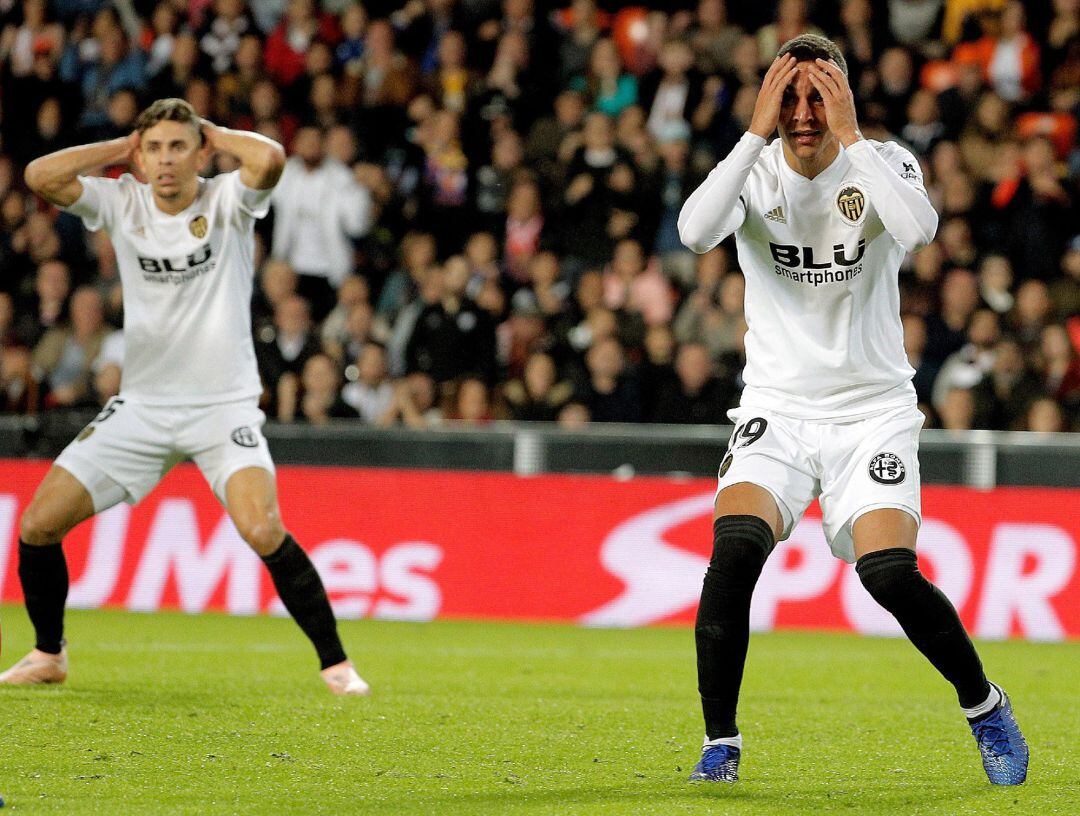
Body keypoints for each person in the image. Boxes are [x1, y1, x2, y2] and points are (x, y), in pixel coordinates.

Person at [677, 35, 1027, 785]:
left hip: (871, 410)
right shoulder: (753, 169)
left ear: (842, 95)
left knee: (889, 573)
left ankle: (984, 704)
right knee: (734, 549)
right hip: (778, 406)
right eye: (790, 97)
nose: (804, 114)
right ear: (771, 99)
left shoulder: (882, 162)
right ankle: (720, 744)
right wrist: (751, 130)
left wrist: (853, 136)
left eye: (818, 95)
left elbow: (919, 229)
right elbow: (693, 232)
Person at [0, 98, 369, 697]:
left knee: (262, 528)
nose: (166, 160)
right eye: (155, 149)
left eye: (178, 147)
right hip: (142, 408)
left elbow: (271, 159)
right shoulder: (123, 202)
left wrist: (216, 132)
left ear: (200, 152)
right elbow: (39, 176)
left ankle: (337, 665)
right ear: (140, 160)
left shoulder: (227, 199)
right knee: (38, 525)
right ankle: (49, 654)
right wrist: (120, 151)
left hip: (222, 409)